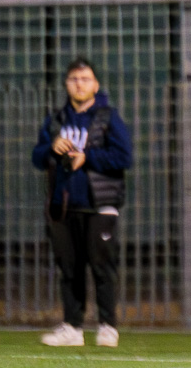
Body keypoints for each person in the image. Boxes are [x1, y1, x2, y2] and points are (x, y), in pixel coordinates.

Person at [32, 57, 133, 348]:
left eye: (85, 79)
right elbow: (37, 157)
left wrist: (87, 158)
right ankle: (73, 327)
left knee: (102, 266)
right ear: (66, 84)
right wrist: (51, 148)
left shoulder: (107, 118)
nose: (79, 84)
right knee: (69, 268)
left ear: (95, 85)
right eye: (74, 79)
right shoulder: (56, 120)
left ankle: (107, 326)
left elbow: (124, 157)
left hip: (100, 204)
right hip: (64, 205)